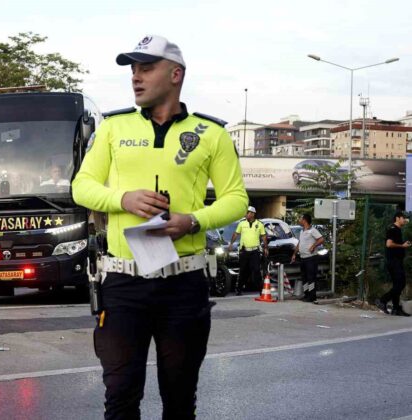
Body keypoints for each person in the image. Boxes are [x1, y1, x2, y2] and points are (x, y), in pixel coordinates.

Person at [71, 35, 248, 419]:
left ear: (175, 74)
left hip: (183, 284)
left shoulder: (211, 133)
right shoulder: (113, 129)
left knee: (180, 400)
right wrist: (124, 199)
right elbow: (81, 187)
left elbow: (237, 199)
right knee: (119, 397)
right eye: (133, 69)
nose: (136, 77)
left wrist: (193, 221)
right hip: (122, 283)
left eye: (146, 68)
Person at [376, 211, 411, 316]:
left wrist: (403, 245)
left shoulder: (398, 230)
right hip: (393, 261)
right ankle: (383, 300)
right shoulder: (392, 229)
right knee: (400, 284)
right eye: (403, 218)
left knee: (398, 284)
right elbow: (389, 244)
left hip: (397, 261)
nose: (404, 220)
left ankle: (396, 309)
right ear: (397, 218)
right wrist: (402, 246)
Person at [229, 206, 267, 295]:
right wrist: (231, 244)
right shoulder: (242, 223)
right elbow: (236, 234)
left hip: (255, 251)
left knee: (257, 270)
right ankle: (238, 289)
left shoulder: (259, 224)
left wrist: (266, 248)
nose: (247, 214)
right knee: (243, 271)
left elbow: (264, 236)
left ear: (253, 214)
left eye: (248, 213)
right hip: (244, 251)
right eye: (246, 213)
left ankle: (261, 290)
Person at [291, 213, 325, 303]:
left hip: (311, 258)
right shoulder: (302, 231)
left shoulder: (312, 230)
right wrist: (294, 254)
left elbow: (321, 239)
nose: (299, 220)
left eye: (300, 219)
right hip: (303, 258)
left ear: (305, 220)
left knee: (311, 278)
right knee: (304, 278)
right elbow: (299, 243)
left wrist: (313, 246)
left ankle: (312, 296)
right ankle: (306, 294)